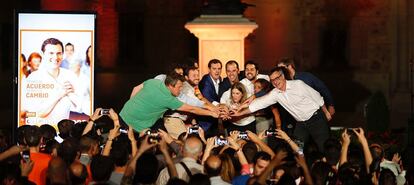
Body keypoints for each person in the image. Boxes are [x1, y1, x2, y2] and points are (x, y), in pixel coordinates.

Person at [233, 66, 331, 152]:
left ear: (283, 76)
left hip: (316, 119)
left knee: (324, 147)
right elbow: (258, 104)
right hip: (301, 124)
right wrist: (239, 113)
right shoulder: (275, 93)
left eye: (277, 78)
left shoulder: (298, 85)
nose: (275, 82)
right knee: (297, 150)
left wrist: (326, 112)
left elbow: (317, 97)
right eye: (272, 80)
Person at [119, 73, 219, 132]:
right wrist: (211, 113)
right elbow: (192, 109)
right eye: (179, 87)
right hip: (135, 127)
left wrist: (132, 106)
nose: (181, 90)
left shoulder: (153, 82)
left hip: (123, 115)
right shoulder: (169, 100)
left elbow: (135, 88)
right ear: (171, 86)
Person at [22, 38, 80, 127]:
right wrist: (60, 94)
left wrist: (71, 94)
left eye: (59, 53)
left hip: (63, 134)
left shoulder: (70, 75)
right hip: (40, 135)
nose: (55, 57)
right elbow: (37, 113)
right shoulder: (33, 78)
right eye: (51, 53)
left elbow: (80, 105)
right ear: (43, 54)